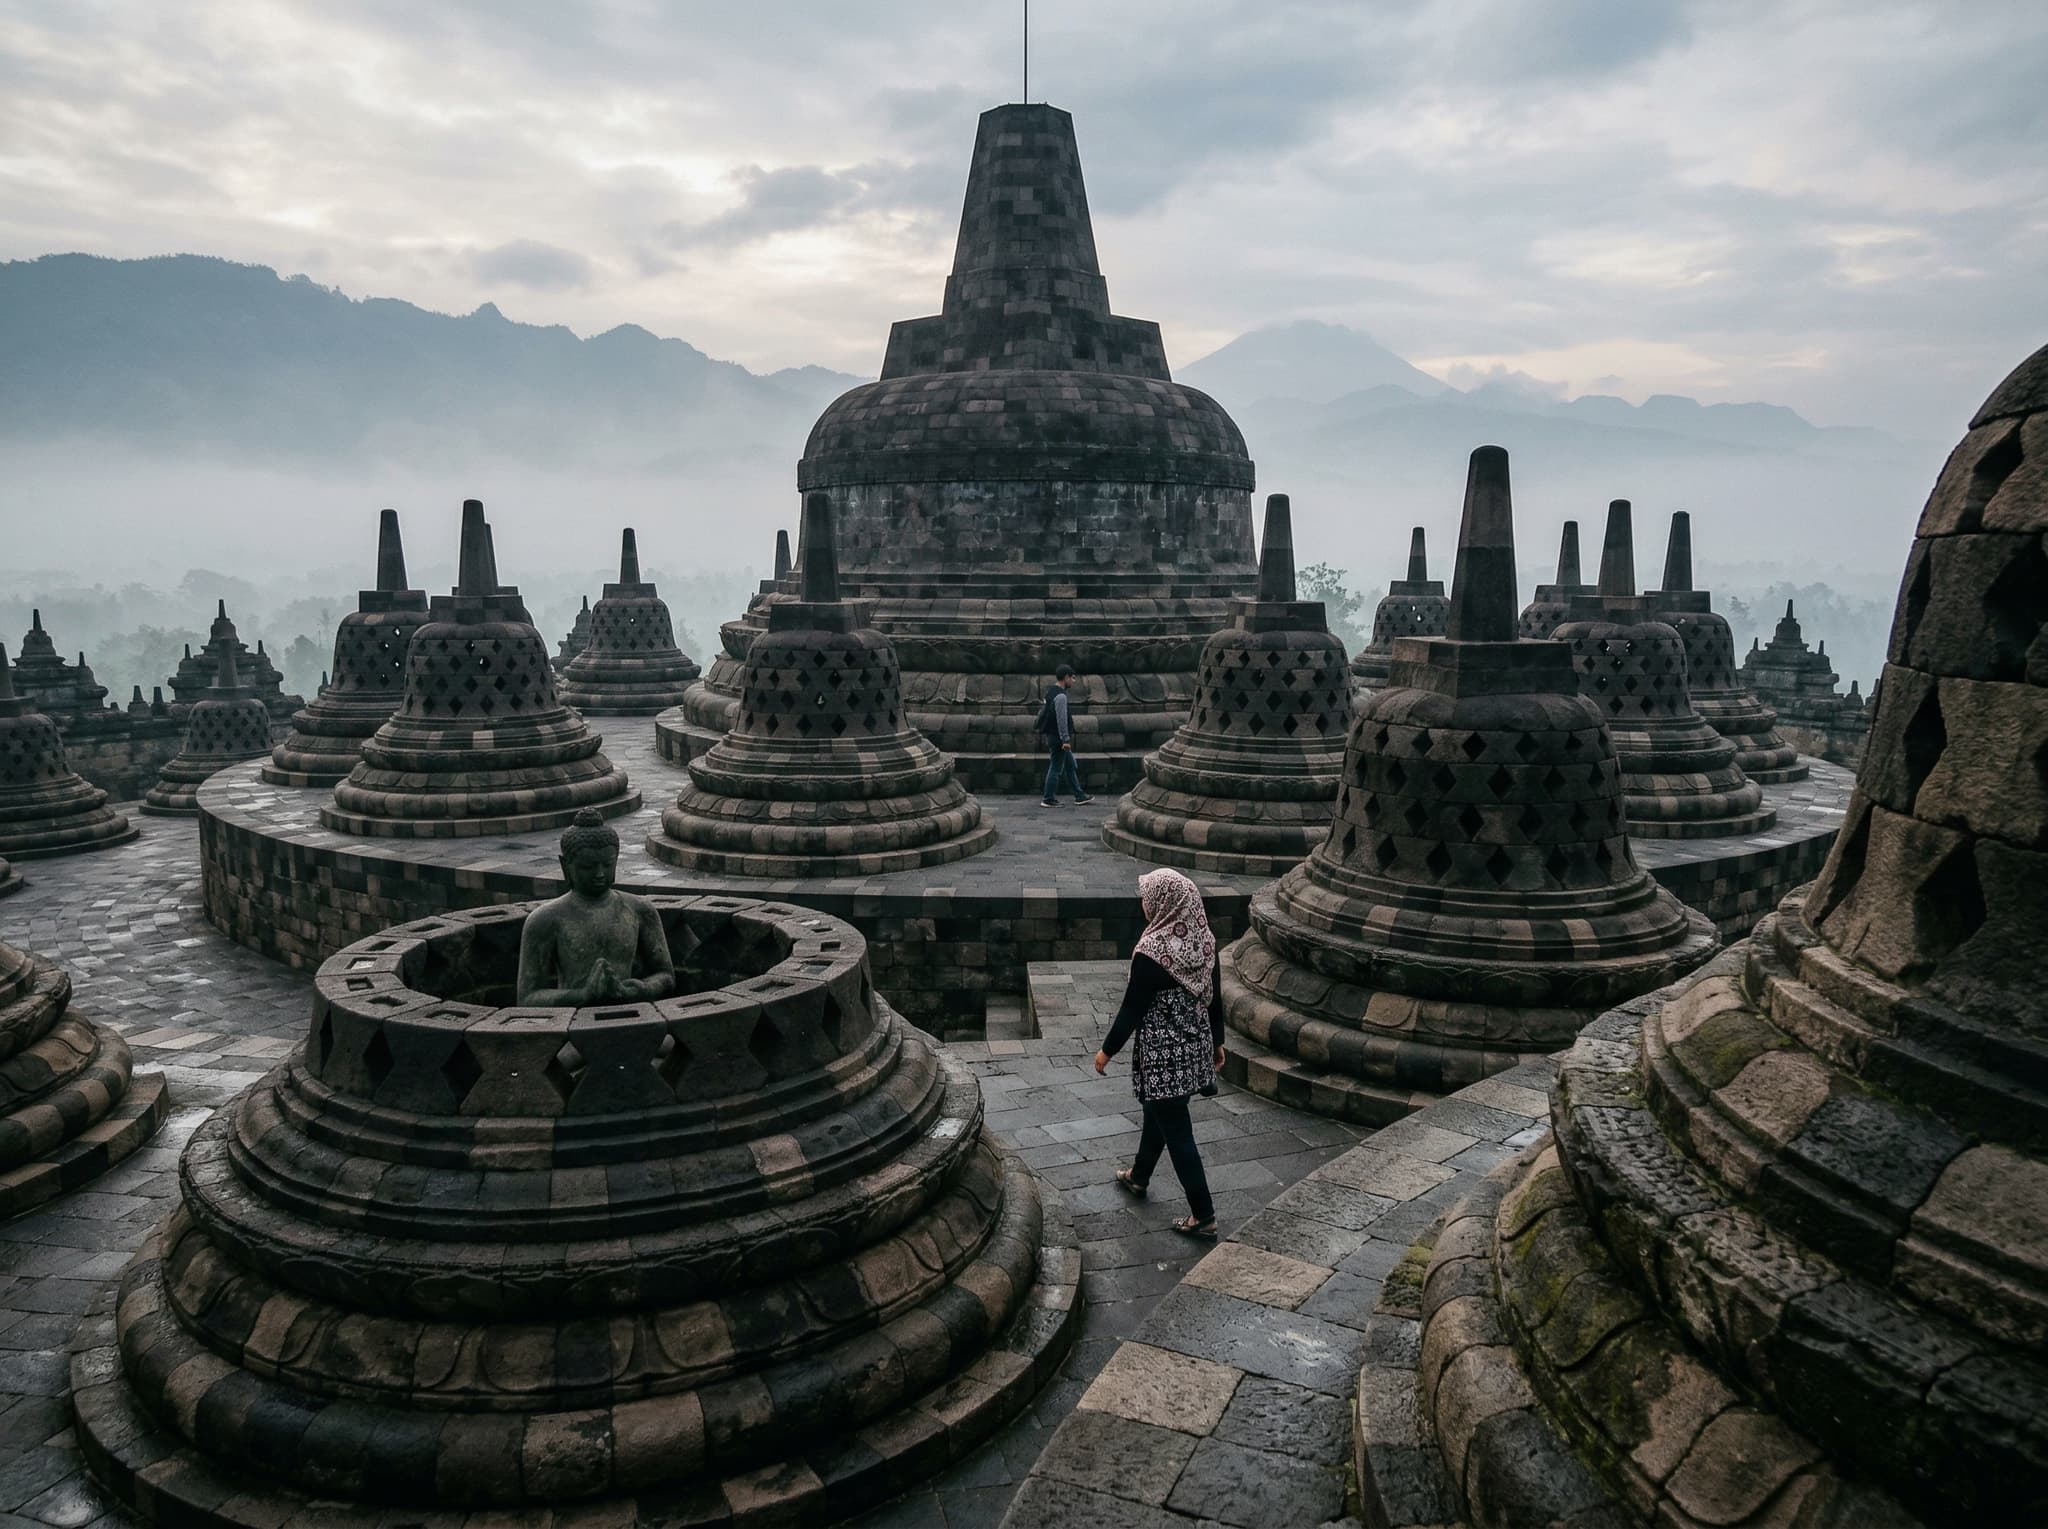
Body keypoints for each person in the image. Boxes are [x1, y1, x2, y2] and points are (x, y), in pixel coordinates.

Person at [1094, 867, 1225, 1239]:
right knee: (1159, 1110)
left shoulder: (1153, 952)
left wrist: (1107, 1051)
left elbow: (1132, 1009)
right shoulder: (1204, 941)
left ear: (1164, 902)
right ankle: (1139, 1176)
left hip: (1164, 1055)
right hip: (1194, 1047)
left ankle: (1204, 1214)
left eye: (1147, 897)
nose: (1143, 903)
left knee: (1178, 1132)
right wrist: (1217, 1042)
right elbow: (1214, 997)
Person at [517, 808, 677, 1006]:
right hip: (573, 1027)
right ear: (565, 866)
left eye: (607, 864)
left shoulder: (640, 910)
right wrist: (583, 996)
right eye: (588, 866)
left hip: (631, 1018)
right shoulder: (545, 920)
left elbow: (666, 976)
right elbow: (527, 998)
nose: (600, 874)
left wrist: (640, 989)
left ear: (616, 861)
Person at [1039, 662, 1093, 808]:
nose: (1073, 681)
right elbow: (1061, 719)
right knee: (1056, 768)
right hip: (1059, 739)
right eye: (1072, 678)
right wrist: (1065, 739)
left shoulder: (1051, 692)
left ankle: (1079, 795)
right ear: (1066, 677)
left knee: (1070, 765)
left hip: (1053, 736)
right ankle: (1048, 798)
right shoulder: (1061, 696)